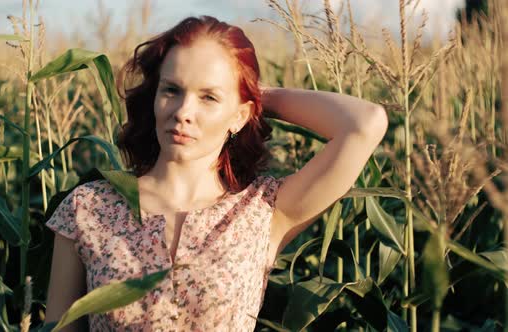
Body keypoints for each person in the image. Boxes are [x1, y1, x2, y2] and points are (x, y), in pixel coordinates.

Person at [44, 15, 388, 332]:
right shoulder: (90, 208)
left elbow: (365, 124)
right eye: (171, 90)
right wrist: (221, 95)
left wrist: (253, 94)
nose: (183, 112)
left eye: (208, 97)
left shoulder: (264, 211)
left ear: (240, 116)